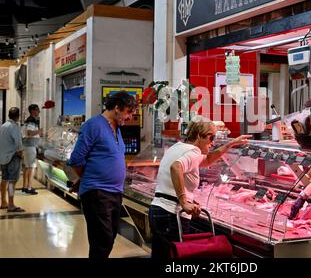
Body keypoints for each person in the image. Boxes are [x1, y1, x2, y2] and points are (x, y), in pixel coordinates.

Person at [149, 116, 251, 259]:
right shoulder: (193, 152)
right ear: (198, 136)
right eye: (211, 137)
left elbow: (208, 160)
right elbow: (176, 167)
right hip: (171, 214)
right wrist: (184, 201)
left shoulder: (178, 147)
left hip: (158, 210)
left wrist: (230, 144)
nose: (213, 142)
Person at [67, 91, 137, 258]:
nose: (129, 117)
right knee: (102, 240)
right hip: (97, 192)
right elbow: (76, 159)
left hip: (115, 192)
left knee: (110, 237)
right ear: (117, 107)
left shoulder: (117, 128)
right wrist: (87, 177)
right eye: (128, 112)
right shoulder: (93, 125)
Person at [0, 107, 25, 212]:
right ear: (18, 116)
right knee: (12, 182)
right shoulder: (14, 127)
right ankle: (11, 205)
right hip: (13, 157)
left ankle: (3, 202)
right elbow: (18, 144)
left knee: (4, 179)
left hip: (2, 157)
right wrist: (21, 155)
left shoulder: (3, 126)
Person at [22, 104, 43, 195]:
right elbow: (29, 133)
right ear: (33, 111)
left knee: (27, 167)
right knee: (31, 167)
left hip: (27, 146)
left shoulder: (30, 120)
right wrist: (39, 131)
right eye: (37, 110)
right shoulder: (31, 121)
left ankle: (25, 186)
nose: (39, 112)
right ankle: (29, 187)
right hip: (30, 147)